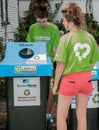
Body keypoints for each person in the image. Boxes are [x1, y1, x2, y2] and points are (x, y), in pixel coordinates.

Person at [53, 2, 99, 130]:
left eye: (63, 20)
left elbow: (60, 65)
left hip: (70, 81)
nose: (62, 23)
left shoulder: (66, 39)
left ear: (70, 21)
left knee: (61, 116)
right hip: (86, 80)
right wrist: (84, 70)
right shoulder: (90, 37)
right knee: (82, 114)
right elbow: (94, 60)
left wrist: (55, 85)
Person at [26, 5, 60, 124]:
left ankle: (48, 114)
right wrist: (28, 60)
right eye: (39, 21)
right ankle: (35, 112)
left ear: (47, 18)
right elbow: (29, 47)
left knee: (50, 89)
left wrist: (56, 62)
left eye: (44, 21)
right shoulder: (33, 28)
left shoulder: (54, 29)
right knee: (35, 87)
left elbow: (55, 49)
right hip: (35, 62)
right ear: (36, 18)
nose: (41, 23)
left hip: (49, 62)